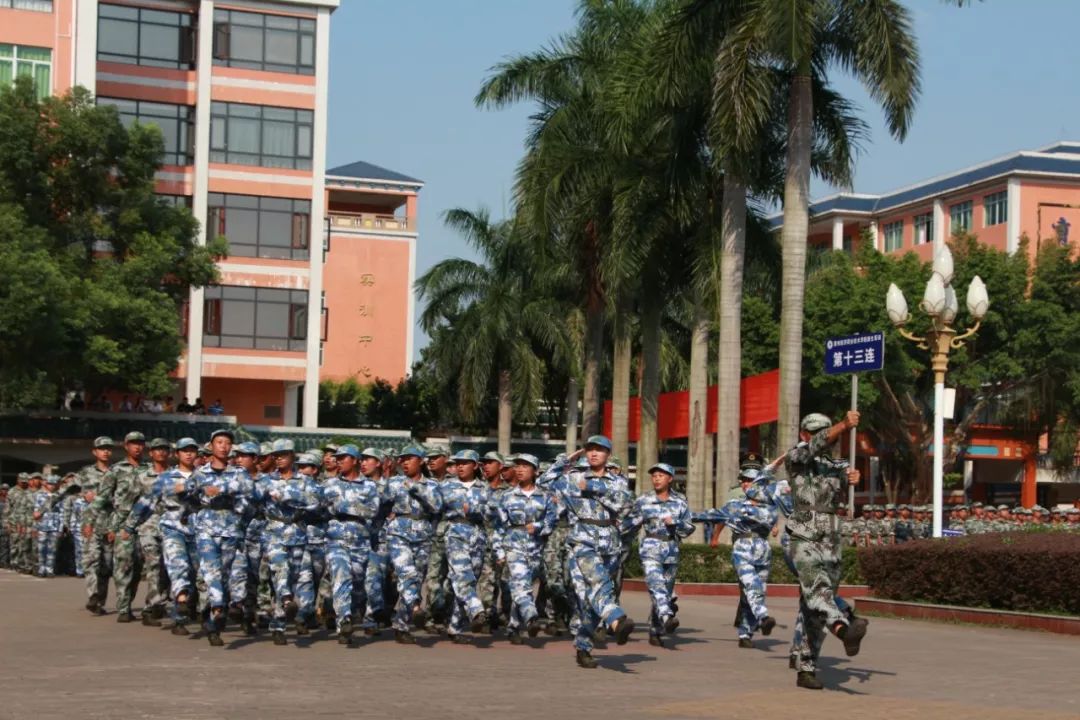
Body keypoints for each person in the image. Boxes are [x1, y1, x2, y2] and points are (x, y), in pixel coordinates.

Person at [786, 411, 869, 690]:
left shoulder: (836, 466)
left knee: (815, 606)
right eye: (817, 431)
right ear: (804, 434)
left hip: (832, 537)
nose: (825, 436)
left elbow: (846, 483)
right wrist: (843, 425)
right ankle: (844, 629)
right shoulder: (796, 457)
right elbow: (815, 446)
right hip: (804, 533)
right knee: (818, 591)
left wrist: (853, 478)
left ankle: (807, 667)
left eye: (827, 430)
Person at [545, 436, 635, 669]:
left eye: (600, 450)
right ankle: (616, 619)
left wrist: (593, 486)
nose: (594, 454)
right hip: (582, 541)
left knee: (590, 603)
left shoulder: (617, 481)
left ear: (608, 454)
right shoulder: (573, 478)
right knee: (599, 584)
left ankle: (583, 646)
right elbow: (545, 480)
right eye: (590, 450)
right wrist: (568, 458)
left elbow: (625, 503)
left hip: (610, 544)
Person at [123, 437, 201, 636]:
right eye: (185, 451)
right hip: (172, 528)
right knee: (178, 569)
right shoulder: (166, 477)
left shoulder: (203, 477)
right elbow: (146, 502)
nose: (189, 454)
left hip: (199, 530)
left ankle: (189, 609)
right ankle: (179, 619)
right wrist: (129, 526)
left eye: (192, 450)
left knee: (194, 573)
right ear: (177, 454)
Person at [707, 464, 779, 648]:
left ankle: (745, 633)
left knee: (756, 592)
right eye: (744, 480)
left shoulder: (768, 503)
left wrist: (774, 525)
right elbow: (717, 517)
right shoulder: (735, 503)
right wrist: (713, 536)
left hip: (762, 548)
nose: (746, 484)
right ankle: (763, 617)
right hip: (742, 546)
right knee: (750, 585)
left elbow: (772, 520)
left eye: (750, 480)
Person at [192, 429, 253, 646]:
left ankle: (215, 617)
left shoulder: (239, 474)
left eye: (227, 443)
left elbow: (248, 497)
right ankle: (217, 611)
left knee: (224, 576)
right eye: (219, 442)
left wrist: (229, 498)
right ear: (211, 446)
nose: (223, 446)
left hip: (230, 530)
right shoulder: (199, 473)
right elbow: (188, 496)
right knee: (212, 573)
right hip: (207, 530)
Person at [626, 463, 694, 648]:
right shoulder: (643, 500)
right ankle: (667, 616)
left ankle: (656, 629)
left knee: (664, 589)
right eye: (654, 476)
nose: (656, 479)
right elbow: (630, 524)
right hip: (650, 548)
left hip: (671, 549)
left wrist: (676, 524)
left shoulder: (680, 501)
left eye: (661, 475)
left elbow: (689, 528)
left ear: (670, 478)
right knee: (656, 585)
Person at [494, 453, 558, 645]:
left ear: (535, 471)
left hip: (535, 549)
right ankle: (531, 617)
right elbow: (499, 527)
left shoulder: (546, 497)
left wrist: (538, 527)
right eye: (518, 466)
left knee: (522, 588)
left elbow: (551, 523)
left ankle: (513, 627)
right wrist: (499, 551)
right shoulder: (506, 496)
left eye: (525, 466)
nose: (520, 470)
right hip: (513, 546)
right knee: (521, 584)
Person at [320, 444, 380, 645]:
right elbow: (321, 507)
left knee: (357, 583)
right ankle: (343, 620)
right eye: (337, 458)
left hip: (360, 542)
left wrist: (343, 507)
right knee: (340, 575)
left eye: (343, 458)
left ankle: (353, 612)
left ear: (354, 460)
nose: (339, 461)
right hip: (336, 539)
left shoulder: (369, 486)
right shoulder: (329, 485)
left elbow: (372, 510)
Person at [385, 446, 444, 644]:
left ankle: (401, 624)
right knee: (406, 574)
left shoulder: (432, 485)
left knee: (415, 581)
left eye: (409, 459)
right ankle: (417, 607)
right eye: (402, 459)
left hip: (423, 534)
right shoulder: (393, 483)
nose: (404, 462)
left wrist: (417, 490)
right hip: (398, 533)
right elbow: (380, 505)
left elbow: (436, 506)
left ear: (420, 461)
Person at [92, 431, 148, 622]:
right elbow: (102, 499)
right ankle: (123, 608)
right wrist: (102, 525)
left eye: (140, 443)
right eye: (133, 443)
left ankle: (129, 601)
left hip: (146, 525)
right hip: (122, 524)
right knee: (123, 565)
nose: (137, 447)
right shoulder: (115, 470)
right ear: (126, 446)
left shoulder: (149, 470)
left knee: (139, 568)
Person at [438, 449, 490, 644]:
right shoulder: (446, 486)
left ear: (475, 465)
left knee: (468, 580)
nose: (460, 466)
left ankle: (455, 626)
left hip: (477, 536)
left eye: (465, 462)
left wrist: (477, 510)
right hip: (455, 532)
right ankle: (476, 609)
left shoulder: (484, 489)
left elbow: (493, 513)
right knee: (462, 574)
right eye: (457, 462)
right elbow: (435, 507)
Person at [137, 438, 172, 626]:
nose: (161, 452)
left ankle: (161, 601)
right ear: (150, 453)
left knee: (168, 567)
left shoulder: (174, 475)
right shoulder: (142, 476)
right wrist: (123, 526)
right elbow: (130, 502)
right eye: (157, 449)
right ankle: (149, 607)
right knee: (154, 565)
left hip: (170, 527)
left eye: (164, 449)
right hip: (148, 526)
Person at [78, 437, 116, 614]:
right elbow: (73, 491)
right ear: (95, 451)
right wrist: (84, 495)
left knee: (106, 566)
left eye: (108, 448)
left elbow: (121, 497)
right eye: (102, 448)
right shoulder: (85, 473)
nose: (105, 451)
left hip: (110, 523)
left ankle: (100, 601)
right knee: (91, 561)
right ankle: (93, 594)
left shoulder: (116, 472)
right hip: (92, 522)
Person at [421, 446, 453, 632]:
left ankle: (447, 616)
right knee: (432, 579)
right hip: (430, 536)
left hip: (451, 536)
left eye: (436, 457)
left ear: (445, 459)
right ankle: (432, 615)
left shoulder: (455, 483)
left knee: (450, 580)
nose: (431, 461)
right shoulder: (425, 482)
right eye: (429, 458)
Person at [32, 475, 63, 577]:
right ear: (46, 484)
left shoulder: (59, 497)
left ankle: (50, 569)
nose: (52, 486)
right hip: (42, 526)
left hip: (54, 526)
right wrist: (35, 527)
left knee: (52, 550)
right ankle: (41, 569)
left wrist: (61, 528)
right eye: (50, 484)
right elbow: (35, 514)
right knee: (41, 549)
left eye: (54, 484)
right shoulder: (40, 496)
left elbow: (62, 514)